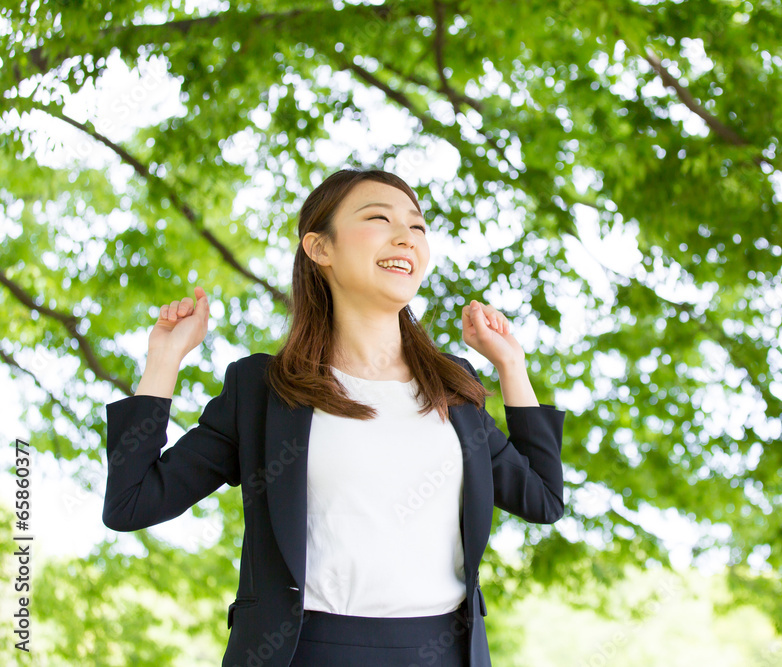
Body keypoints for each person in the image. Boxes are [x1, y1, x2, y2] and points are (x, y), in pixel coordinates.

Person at [102, 168, 567, 667]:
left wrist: (510, 365)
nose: (406, 238)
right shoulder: (263, 389)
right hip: (304, 652)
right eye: (379, 218)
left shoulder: (453, 385)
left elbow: (543, 498)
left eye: (417, 227)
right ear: (320, 248)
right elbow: (132, 504)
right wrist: (163, 360)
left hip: (442, 652)